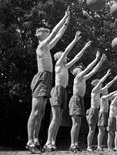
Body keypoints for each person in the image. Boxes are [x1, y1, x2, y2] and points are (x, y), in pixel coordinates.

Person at [26, 7, 70, 154]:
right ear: (40, 34)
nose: (49, 33)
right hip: (42, 77)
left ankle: (36, 141)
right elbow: (53, 35)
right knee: (35, 111)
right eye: (46, 31)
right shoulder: (41, 46)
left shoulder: (47, 49)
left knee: (41, 113)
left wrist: (65, 25)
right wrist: (63, 18)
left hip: (47, 78)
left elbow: (57, 37)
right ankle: (30, 141)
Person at [43, 29, 92, 151]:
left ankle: (52, 143)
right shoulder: (59, 63)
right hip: (57, 90)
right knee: (55, 118)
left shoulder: (66, 66)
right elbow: (67, 51)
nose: (67, 58)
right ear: (60, 57)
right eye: (65, 57)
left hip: (63, 91)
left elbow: (76, 57)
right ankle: (48, 142)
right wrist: (75, 40)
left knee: (58, 119)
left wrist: (85, 47)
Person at [69, 52, 106, 153]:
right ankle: (72, 144)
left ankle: (75, 144)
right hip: (75, 99)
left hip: (80, 99)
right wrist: (96, 58)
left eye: (81, 69)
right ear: (75, 72)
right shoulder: (78, 77)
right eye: (79, 69)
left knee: (78, 124)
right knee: (75, 123)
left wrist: (101, 61)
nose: (81, 69)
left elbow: (93, 70)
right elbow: (88, 68)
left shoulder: (83, 78)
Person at [97, 74, 117, 151]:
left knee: (104, 131)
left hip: (105, 114)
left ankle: (108, 147)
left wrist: (115, 79)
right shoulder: (103, 97)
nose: (107, 88)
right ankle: (99, 146)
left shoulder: (106, 96)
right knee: (101, 131)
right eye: (105, 88)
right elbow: (111, 94)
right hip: (102, 113)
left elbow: (113, 94)